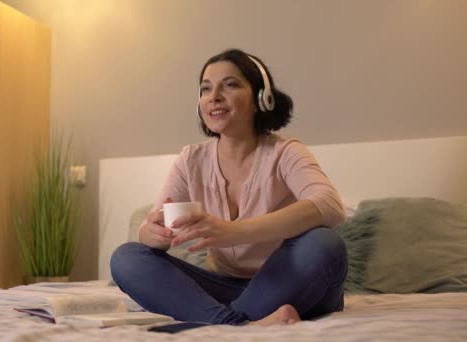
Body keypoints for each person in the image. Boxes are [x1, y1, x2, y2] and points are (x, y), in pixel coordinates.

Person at [110, 48, 348, 326]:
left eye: (230, 85)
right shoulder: (191, 159)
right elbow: (153, 225)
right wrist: (151, 233)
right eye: (206, 89)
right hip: (223, 287)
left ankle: (211, 323)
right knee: (127, 256)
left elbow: (330, 205)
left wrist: (232, 232)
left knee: (324, 243)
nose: (214, 97)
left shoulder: (286, 152)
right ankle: (240, 325)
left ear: (261, 98)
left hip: (290, 283)